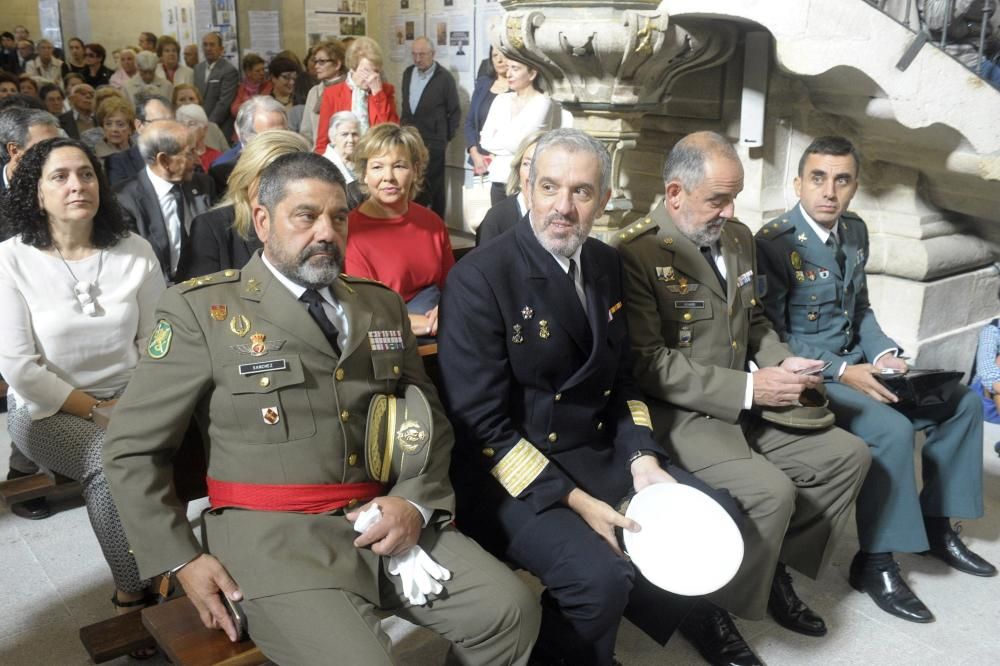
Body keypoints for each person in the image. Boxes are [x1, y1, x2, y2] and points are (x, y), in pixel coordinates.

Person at [102, 151, 541, 665]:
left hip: (382, 519)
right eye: (306, 216)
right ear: (263, 221)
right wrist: (180, 559)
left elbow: (428, 417)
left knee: (509, 611)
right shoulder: (204, 312)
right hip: (274, 540)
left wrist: (415, 501)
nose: (326, 232)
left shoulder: (378, 304)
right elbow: (132, 449)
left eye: (338, 217)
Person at [437, 128, 737, 666]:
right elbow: (480, 424)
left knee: (714, 516)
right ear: (526, 189)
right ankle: (573, 649)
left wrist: (643, 459)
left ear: (603, 199)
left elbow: (622, 380)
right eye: (549, 187)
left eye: (581, 192)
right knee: (600, 579)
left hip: (594, 448)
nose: (563, 207)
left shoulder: (604, 263)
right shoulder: (480, 277)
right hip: (510, 473)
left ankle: (583, 648)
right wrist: (577, 503)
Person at [618, 131, 870, 665]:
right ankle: (706, 606)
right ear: (676, 192)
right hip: (681, 416)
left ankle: (770, 563)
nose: (729, 211)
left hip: (749, 400)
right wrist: (751, 388)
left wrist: (781, 362)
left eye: (733, 198)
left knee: (847, 457)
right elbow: (648, 363)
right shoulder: (637, 254)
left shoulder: (735, 237)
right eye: (717, 199)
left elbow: (754, 322)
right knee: (771, 492)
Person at [755, 135, 994, 623]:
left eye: (842, 180)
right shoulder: (775, 244)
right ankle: (876, 561)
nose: (829, 191)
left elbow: (859, 309)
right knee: (892, 430)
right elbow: (769, 333)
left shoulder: (855, 231)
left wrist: (884, 351)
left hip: (861, 364)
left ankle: (935, 527)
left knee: (961, 404)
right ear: (798, 183)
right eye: (818, 178)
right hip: (816, 377)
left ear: (855, 186)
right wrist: (845, 370)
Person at [0, 137, 166, 656]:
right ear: (36, 192)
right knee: (107, 461)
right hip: (48, 408)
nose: (78, 185)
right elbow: (19, 368)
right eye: (61, 177)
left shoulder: (133, 250)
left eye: (87, 174)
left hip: (135, 395)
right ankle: (130, 591)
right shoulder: (10, 260)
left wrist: (132, 407)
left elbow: (158, 341)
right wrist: (97, 412)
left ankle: (189, 565)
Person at [346, 123, 453, 337]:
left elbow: (452, 287)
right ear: (364, 174)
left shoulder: (432, 223)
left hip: (442, 332)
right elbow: (365, 311)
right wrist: (426, 324)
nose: (388, 177)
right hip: (385, 343)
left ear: (415, 170)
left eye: (399, 166)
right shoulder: (350, 231)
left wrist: (447, 312)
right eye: (377, 167)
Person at [177, 129, 308, 281]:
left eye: (296, 179)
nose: (282, 188)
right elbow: (199, 301)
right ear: (248, 176)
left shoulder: (314, 227)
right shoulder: (212, 228)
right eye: (272, 177)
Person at [114, 120, 215, 281]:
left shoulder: (203, 184)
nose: (197, 160)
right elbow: (132, 263)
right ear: (164, 161)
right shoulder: (125, 200)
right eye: (190, 153)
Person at [479, 54, 560, 205]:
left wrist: (500, 138)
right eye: (508, 68)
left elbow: (520, 145)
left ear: (532, 73)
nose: (508, 74)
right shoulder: (501, 100)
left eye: (515, 69)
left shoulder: (542, 102)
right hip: (497, 178)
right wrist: (511, 141)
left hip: (524, 182)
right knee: (499, 226)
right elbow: (485, 140)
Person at [400, 37, 460, 220]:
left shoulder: (444, 78)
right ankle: (414, 223)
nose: (418, 59)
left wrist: (444, 138)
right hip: (410, 141)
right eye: (414, 54)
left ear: (432, 54)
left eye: (422, 54)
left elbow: (454, 111)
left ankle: (437, 225)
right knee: (412, 182)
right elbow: (405, 105)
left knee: (434, 185)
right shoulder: (408, 73)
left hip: (434, 142)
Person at [315, 36, 398, 154]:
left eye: (376, 71)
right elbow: (323, 140)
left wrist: (378, 96)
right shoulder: (332, 94)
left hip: (375, 158)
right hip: (342, 160)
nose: (372, 77)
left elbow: (392, 133)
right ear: (352, 69)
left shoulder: (385, 91)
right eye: (366, 71)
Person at [208, 95, 287, 195]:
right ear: (245, 135)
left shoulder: (298, 162)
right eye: (269, 137)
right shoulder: (224, 170)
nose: (278, 141)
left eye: (283, 134)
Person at [475, 131, 542, 246]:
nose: (532, 174)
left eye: (542, 165)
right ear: (518, 169)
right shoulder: (496, 220)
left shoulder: (563, 217)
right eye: (526, 164)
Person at [106, 93, 174, 186]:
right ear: (139, 126)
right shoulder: (120, 162)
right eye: (158, 123)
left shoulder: (182, 158)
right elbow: (122, 197)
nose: (165, 129)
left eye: (170, 123)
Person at [465, 46, 508, 176]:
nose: (499, 60)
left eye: (503, 55)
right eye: (495, 56)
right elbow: (469, 122)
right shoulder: (483, 84)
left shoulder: (518, 88)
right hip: (480, 160)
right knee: (480, 196)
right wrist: (474, 153)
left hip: (506, 161)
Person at [299, 39, 346, 147]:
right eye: (315, 61)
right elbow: (306, 132)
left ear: (337, 64)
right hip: (319, 155)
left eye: (322, 62)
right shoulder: (314, 92)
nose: (316, 66)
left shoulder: (351, 89)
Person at [193, 32, 238, 138]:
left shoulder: (229, 70)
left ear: (221, 49)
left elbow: (224, 103)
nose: (208, 48)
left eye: (212, 45)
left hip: (219, 127)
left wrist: (209, 125)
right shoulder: (197, 69)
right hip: (198, 125)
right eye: (205, 45)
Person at [321, 110, 365, 209]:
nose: (350, 140)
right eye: (344, 134)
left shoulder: (364, 161)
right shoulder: (323, 165)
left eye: (355, 134)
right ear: (332, 137)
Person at [172, 83, 229, 153]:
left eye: (191, 99)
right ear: (174, 105)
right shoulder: (170, 132)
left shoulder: (213, 128)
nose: (188, 102)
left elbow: (228, 155)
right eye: (182, 99)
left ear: (199, 102)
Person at [176, 103, 223, 171]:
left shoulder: (217, 157)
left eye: (191, 124)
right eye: (182, 124)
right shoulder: (176, 158)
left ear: (204, 129)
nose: (185, 128)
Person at [228, 53, 270, 120]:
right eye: (258, 71)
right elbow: (234, 110)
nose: (262, 73)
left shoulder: (268, 85)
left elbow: (261, 106)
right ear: (248, 72)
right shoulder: (242, 87)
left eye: (263, 69)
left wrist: (246, 104)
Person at [266, 56, 304, 130]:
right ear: (273, 77)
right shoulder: (266, 104)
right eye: (286, 77)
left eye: (294, 78)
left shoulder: (301, 101)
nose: (291, 82)